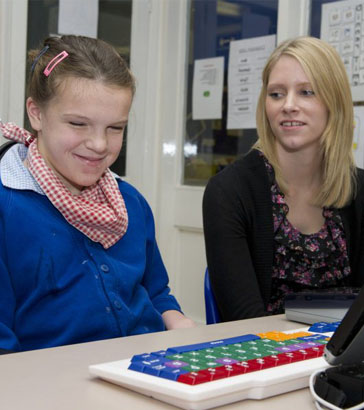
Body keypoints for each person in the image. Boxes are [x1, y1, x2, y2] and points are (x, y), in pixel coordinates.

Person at [0, 35, 194, 353]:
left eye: (115, 128)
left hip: (144, 368)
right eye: (78, 123)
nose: (100, 144)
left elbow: (156, 291)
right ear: (36, 113)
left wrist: (178, 322)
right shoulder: (7, 208)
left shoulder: (131, 202)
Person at [203, 36, 364, 322]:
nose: (288, 105)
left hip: (345, 356)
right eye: (276, 94)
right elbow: (243, 318)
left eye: (306, 92)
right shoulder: (229, 191)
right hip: (267, 357)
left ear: (334, 102)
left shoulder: (359, 189)